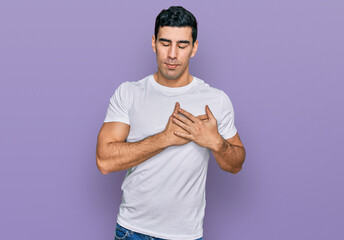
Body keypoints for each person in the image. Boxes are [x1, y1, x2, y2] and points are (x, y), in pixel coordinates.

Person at [96, 6, 246, 240]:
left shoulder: (215, 100)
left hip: (186, 235)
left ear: (194, 48)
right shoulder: (129, 93)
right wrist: (164, 139)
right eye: (165, 44)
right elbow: (104, 161)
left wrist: (216, 142)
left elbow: (236, 164)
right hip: (132, 231)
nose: (173, 54)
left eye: (182, 45)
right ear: (154, 43)